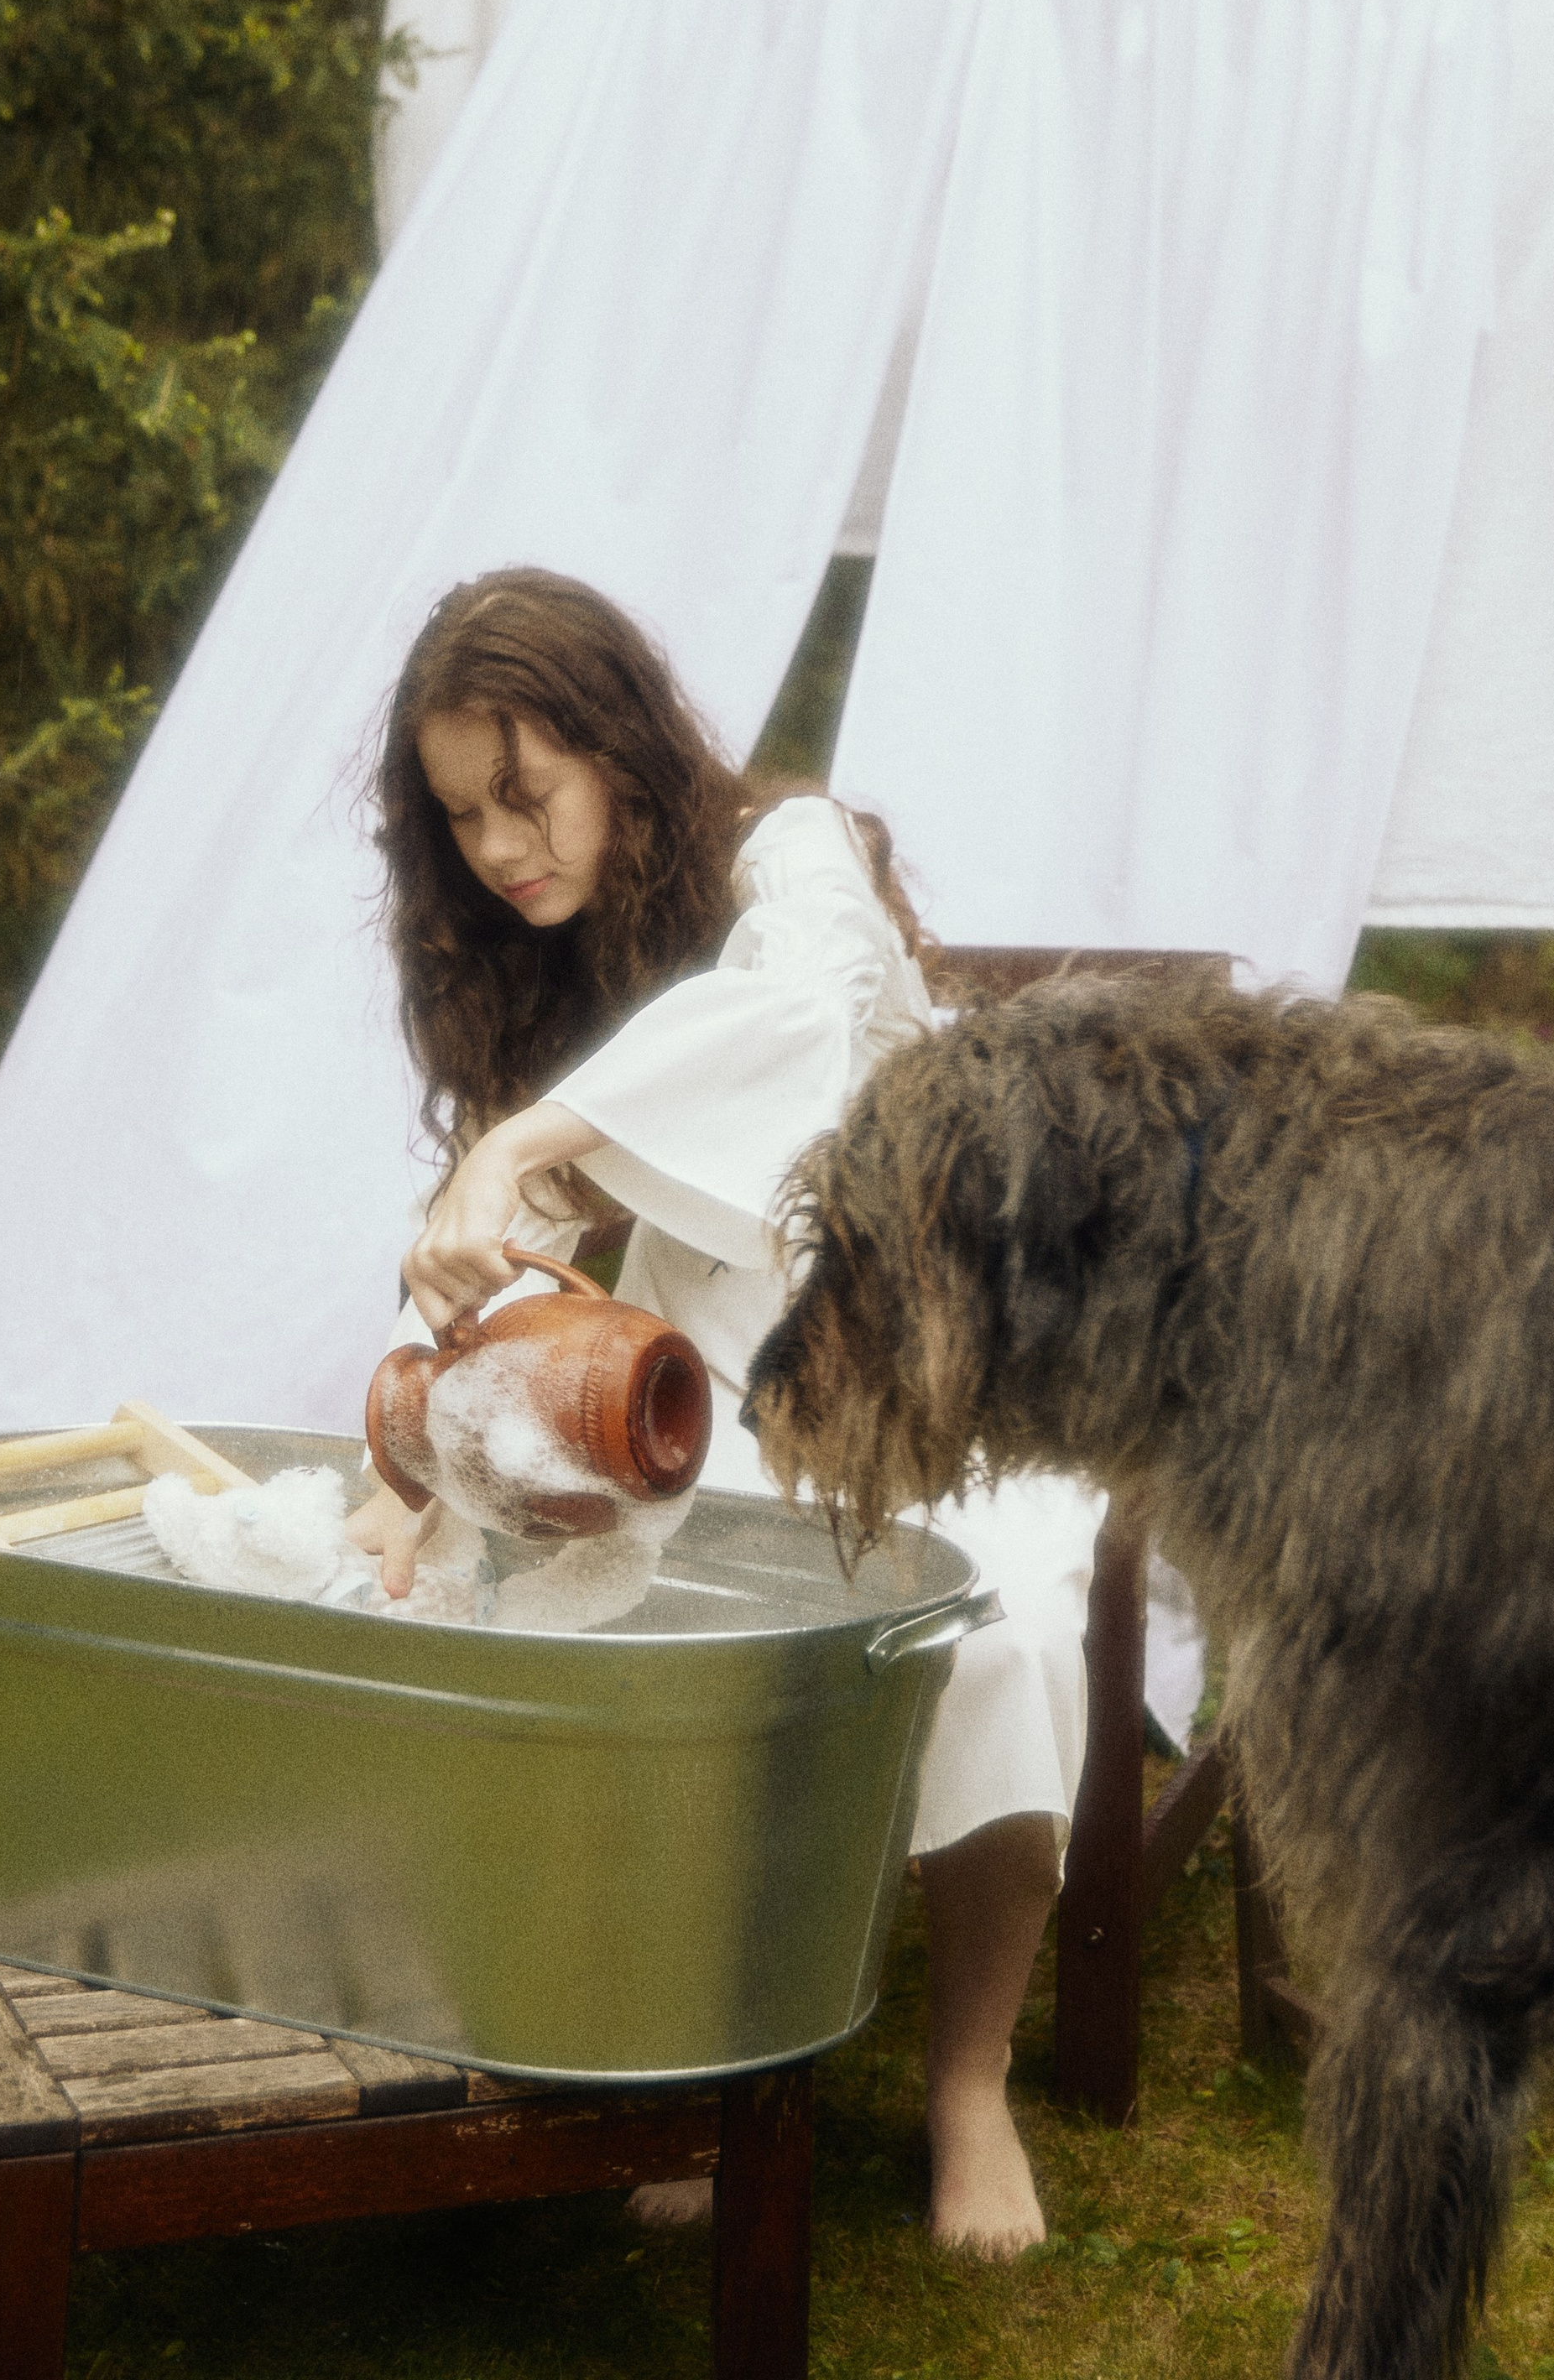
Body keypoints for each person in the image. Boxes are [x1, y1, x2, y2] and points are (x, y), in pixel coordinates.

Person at [344, 568, 1103, 2254]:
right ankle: (711, 2059)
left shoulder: (793, 853)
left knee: (986, 1639)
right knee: (612, 1606)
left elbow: (795, 1028)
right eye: (461, 814)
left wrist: (523, 1143)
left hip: (949, 1371)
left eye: (521, 791)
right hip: (721, 1397)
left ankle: (964, 2080)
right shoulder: (538, 957)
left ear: (614, 740)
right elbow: (506, 1258)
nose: (496, 847)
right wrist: (410, 1454)